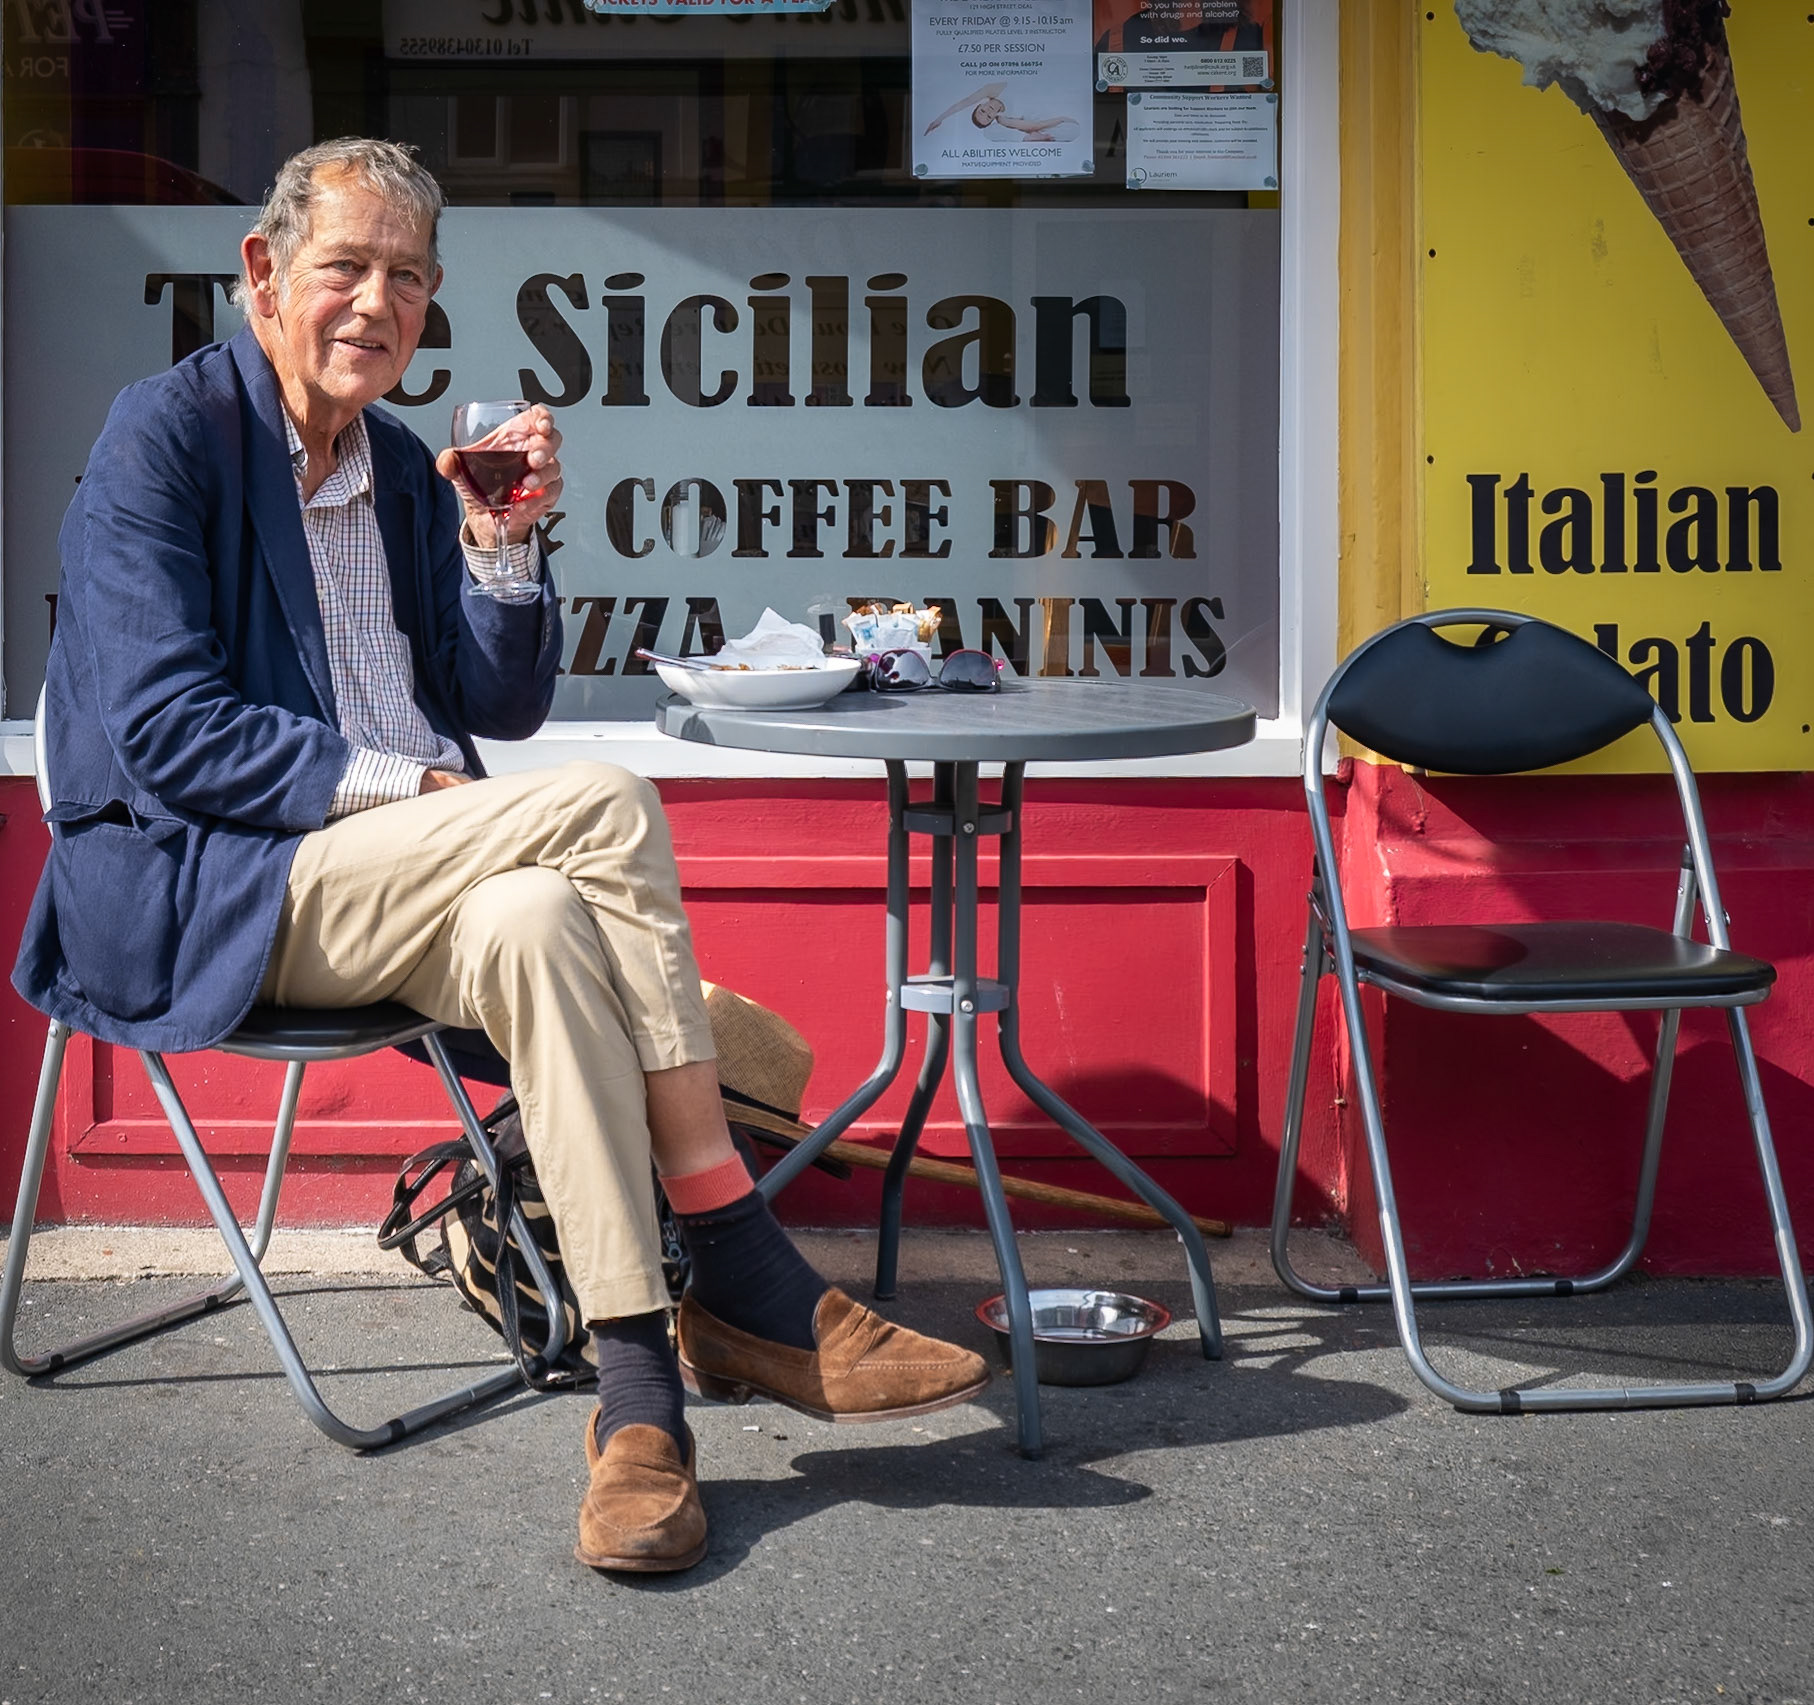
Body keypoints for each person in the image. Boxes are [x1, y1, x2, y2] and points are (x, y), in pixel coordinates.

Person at [12, 138, 988, 1576]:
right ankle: (734, 1252)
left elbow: (492, 702)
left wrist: (497, 549)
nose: (375, 302)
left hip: (408, 880)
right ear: (264, 274)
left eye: (407, 277)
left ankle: (639, 1401)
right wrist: (412, 786)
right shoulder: (164, 440)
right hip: (216, 880)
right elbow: (167, 736)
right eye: (345, 265)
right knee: (599, 803)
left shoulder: (404, 466)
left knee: (537, 911)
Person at [924, 82, 1081, 143]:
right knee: (1074, 130)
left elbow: (965, 101)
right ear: (992, 119)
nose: (988, 112)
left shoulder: (993, 90)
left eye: (983, 111)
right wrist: (1060, 119)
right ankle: (1033, 138)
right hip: (1043, 120)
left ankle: (1034, 136)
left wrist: (940, 118)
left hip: (1048, 98)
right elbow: (1036, 124)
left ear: (981, 105)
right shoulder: (1003, 119)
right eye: (988, 117)